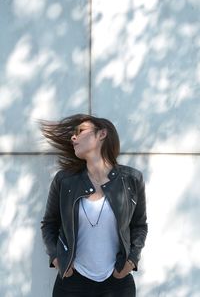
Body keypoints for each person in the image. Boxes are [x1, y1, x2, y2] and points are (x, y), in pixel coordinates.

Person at [40, 113, 148, 297]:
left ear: (102, 134)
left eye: (80, 131)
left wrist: (131, 260)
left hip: (117, 282)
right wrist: (58, 259)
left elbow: (139, 226)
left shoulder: (131, 180)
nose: (73, 137)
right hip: (72, 282)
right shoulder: (65, 181)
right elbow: (49, 224)